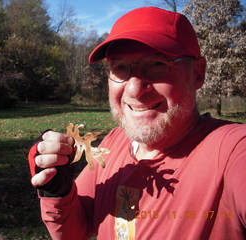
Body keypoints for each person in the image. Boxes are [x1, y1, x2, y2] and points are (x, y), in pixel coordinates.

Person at [28, 7, 246, 240]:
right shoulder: (114, 143)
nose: (134, 89)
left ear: (198, 74)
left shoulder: (231, 151)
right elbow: (74, 231)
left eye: (157, 64)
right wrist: (58, 192)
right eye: (121, 67)